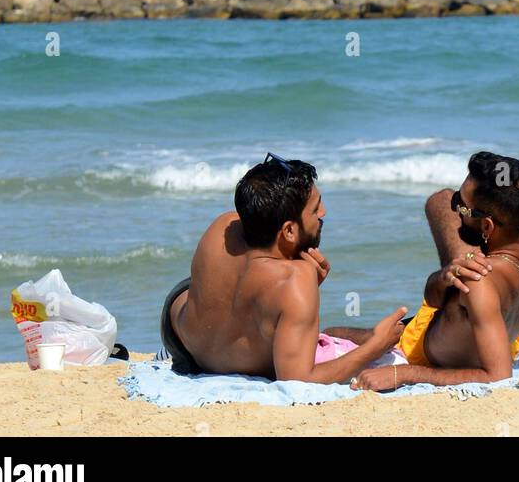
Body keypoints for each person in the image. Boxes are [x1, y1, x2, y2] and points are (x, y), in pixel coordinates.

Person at [160, 153, 407, 383]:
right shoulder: (297, 279)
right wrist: (375, 345)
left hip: (183, 339)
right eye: (315, 209)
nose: (324, 212)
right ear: (289, 230)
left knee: (208, 290)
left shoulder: (224, 224)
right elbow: (298, 380)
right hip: (229, 359)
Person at [352, 151, 519, 391]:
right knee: (440, 200)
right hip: (504, 340)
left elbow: (499, 376)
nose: (456, 209)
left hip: (424, 351)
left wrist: (404, 373)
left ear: (487, 226)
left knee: (332, 335)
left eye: (463, 207)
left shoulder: (480, 280)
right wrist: (446, 274)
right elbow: (435, 296)